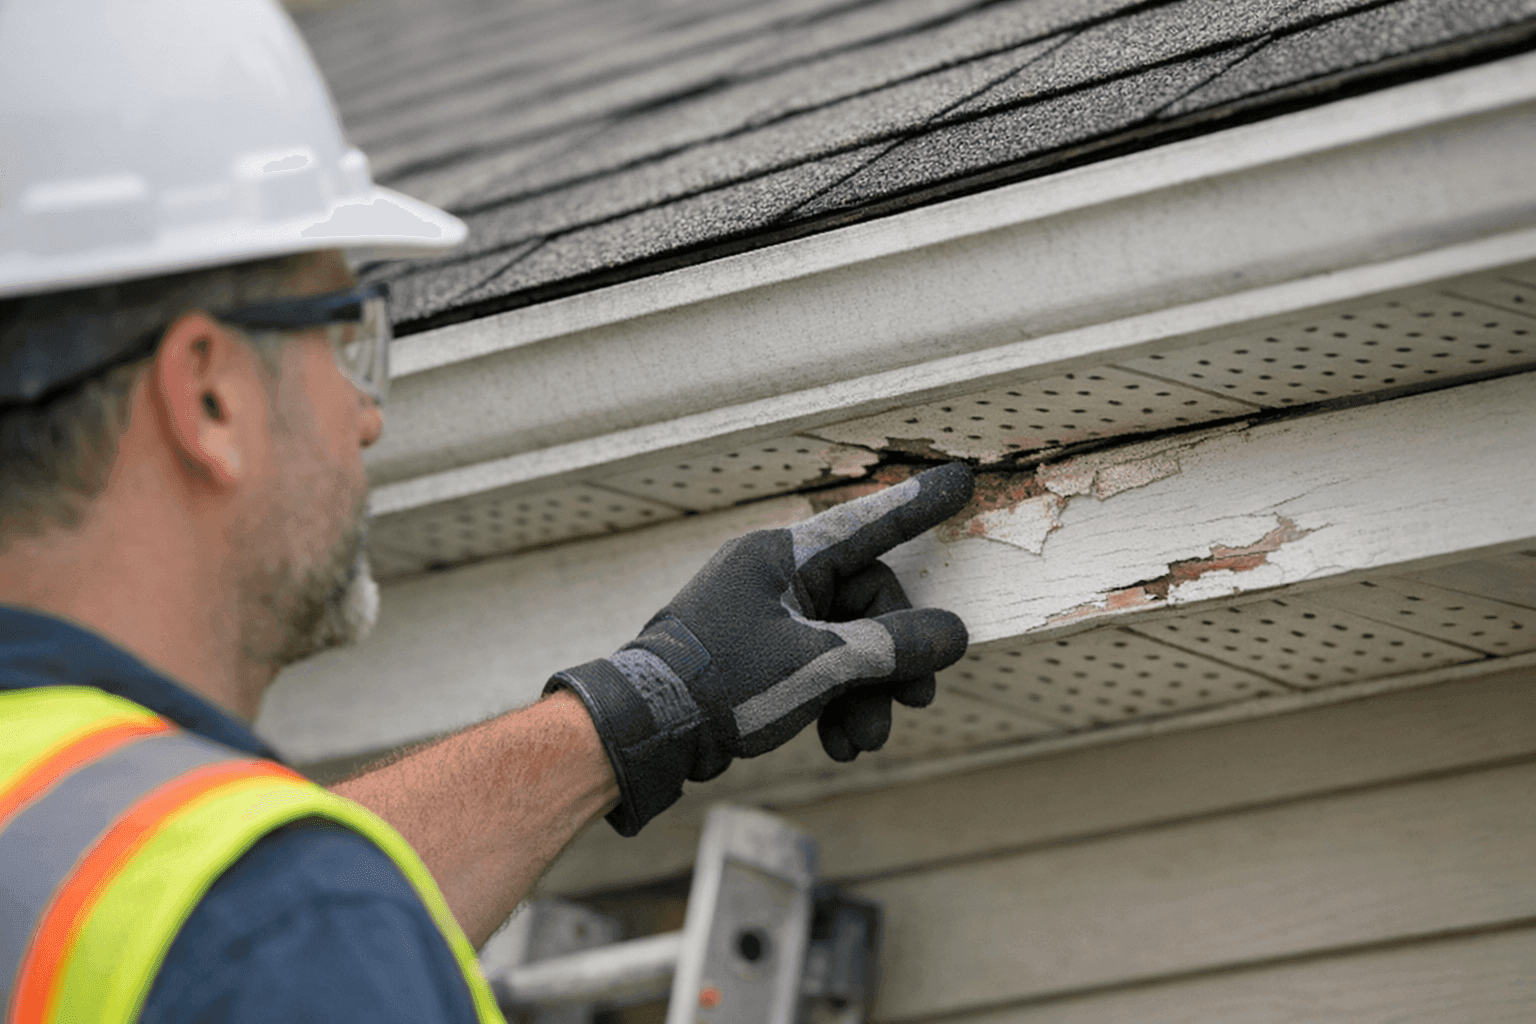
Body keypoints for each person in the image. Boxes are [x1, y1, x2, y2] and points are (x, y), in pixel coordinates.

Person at [0, 1, 973, 1022]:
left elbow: (192, 900)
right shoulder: (277, 923)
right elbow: (261, 927)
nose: (366, 414)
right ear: (208, 395)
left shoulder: (126, 867)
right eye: (344, 335)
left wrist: (651, 701)